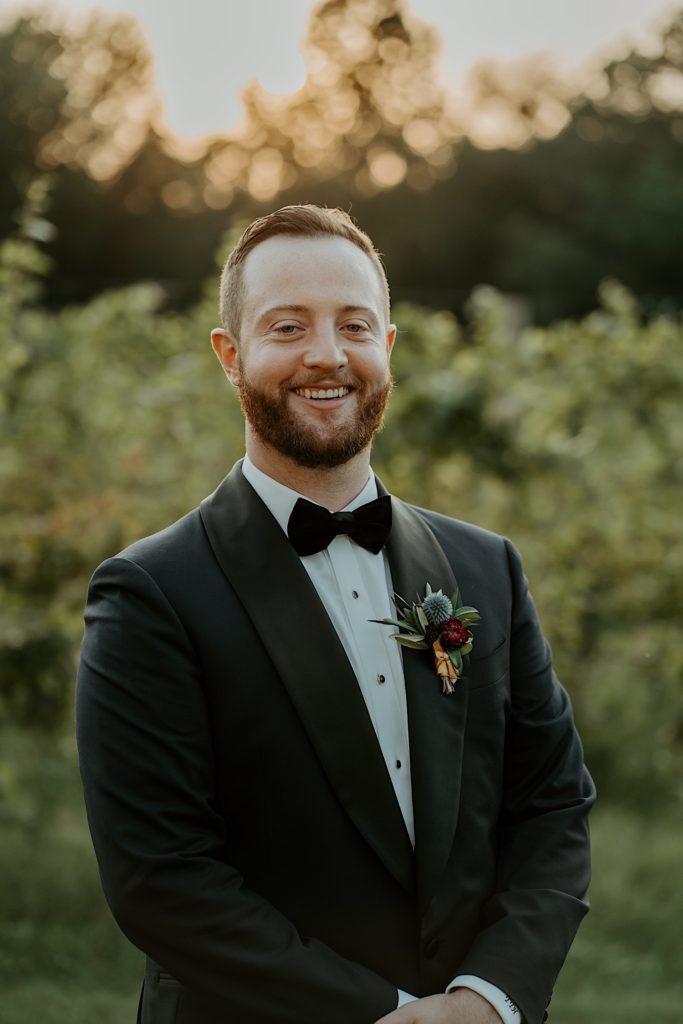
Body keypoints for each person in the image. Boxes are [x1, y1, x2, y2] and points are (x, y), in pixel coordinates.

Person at [76, 205, 595, 1024]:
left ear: (385, 349)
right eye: (288, 326)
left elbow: (552, 805)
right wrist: (385, 1014)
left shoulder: (484, 569)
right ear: (230, 354)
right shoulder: (149, 595)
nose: (326, 353)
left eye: (353, 325)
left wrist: (486, 999)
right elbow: (161, 879)